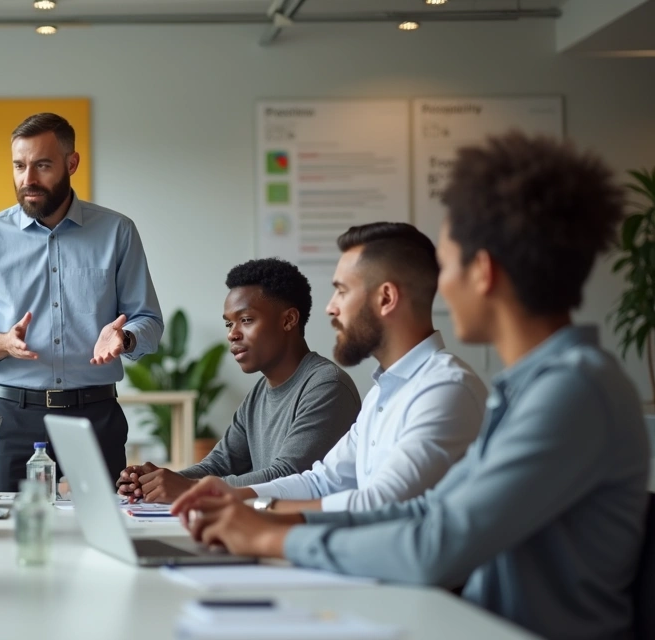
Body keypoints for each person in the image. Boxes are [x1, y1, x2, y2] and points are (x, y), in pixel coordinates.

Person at [174, 133, 650, 639]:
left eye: (447, 266)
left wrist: (270, 538)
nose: (439, 286)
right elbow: (425, 511)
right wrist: (255, 511)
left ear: (483, 271)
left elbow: (434, 544)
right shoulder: (534, 387)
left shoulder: (572, 392)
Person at [175, 224, 487, 513]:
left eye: (342, 290)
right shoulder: (382, 393)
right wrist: (227, 495)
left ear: (386, 298)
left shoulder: (445, 388)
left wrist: (258, 510)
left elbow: (378, 504)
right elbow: (320, 481)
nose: (330, 307)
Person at [0, 112, 165, 491]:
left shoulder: (117, 232)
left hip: (95, 416)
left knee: (107, 533)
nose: (27, 179)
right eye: (19, 165)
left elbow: (148, 320)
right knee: (3, 536)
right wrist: (0, 343)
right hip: (11, 417)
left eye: (42, 165)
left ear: (71, 163)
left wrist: (124, 338)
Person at [115, 258, 360, 504]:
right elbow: (220, 464)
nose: (232, 334)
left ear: (288, 320)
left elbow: (287, 477)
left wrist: (187, 487)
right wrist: (156, 482)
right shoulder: (259, 393)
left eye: (246, 320)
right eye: (229, 323)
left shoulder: (327, 386)